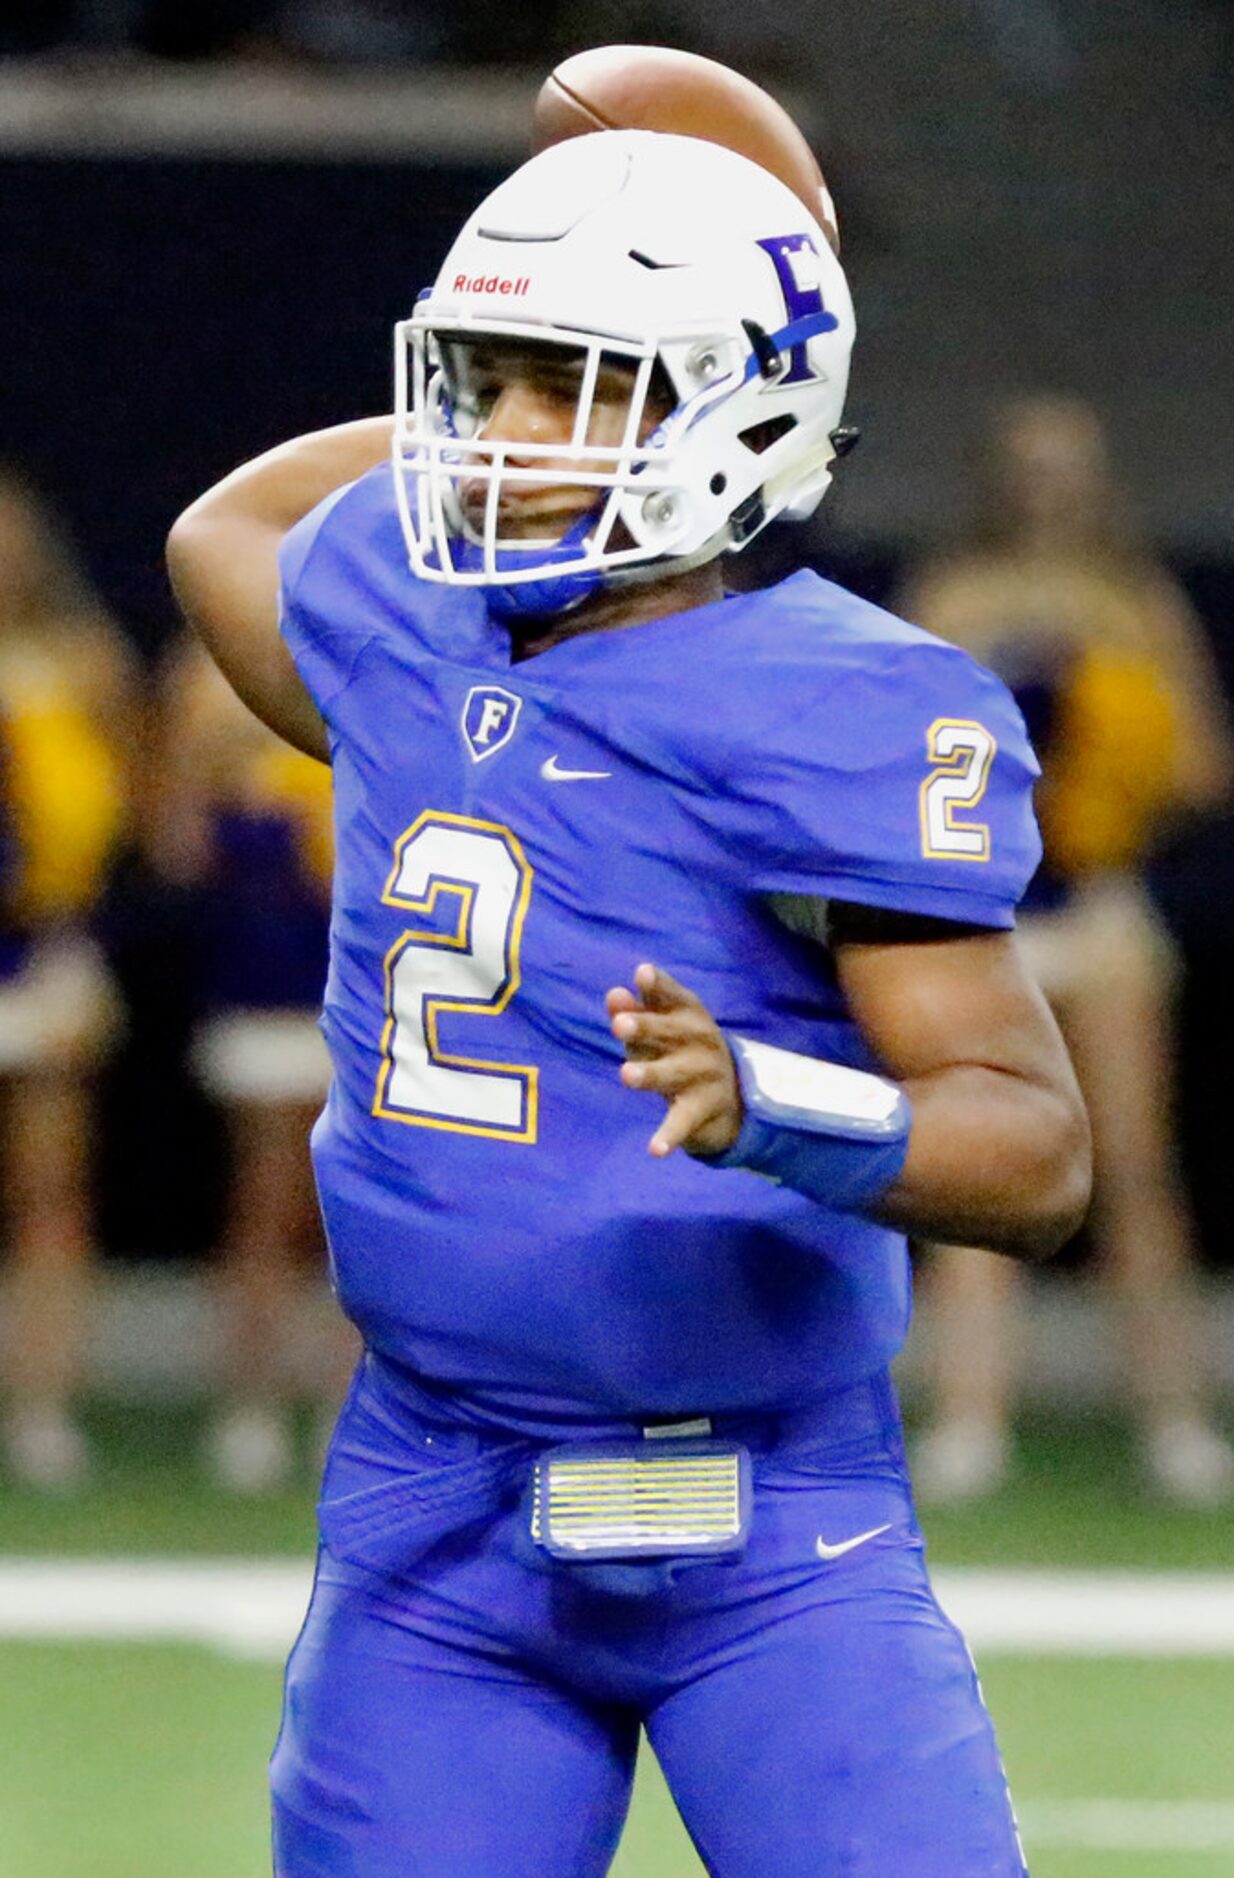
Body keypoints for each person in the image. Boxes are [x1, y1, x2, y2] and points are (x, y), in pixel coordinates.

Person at [167, 131, 1089, 1878]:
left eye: (570, 389)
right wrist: (531, 360)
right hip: (433, 1498)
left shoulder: (840, 703)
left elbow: (1030, 1155)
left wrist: (777, 1104)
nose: (499, 434)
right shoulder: (395, 615)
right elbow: (227, 524)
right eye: (477, 385)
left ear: (738, 419)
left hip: (768, 1524)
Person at [902, 395, 1234, 1507]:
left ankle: (1174, 1419)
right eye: (1031, 466)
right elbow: (893, 745)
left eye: (1071, 467)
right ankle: (969, 1418)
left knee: (1135, 1170)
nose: (1051, 487)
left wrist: (1105, 761)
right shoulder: (951, 595)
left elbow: (1198, 769)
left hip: (1094, 909)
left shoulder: (1134, 601)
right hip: (986, 912)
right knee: (976, 1164)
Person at [147, 641, 355, 1491]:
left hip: (374, 987)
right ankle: (251, 1406)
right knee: (269, 1204)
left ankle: (358, 1407)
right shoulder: (210, 677)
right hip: (267, 987)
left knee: (361, 1217)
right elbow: (176, 851)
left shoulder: (381, 661)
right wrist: (208, 763)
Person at [0, 465, 133, 1489]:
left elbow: (140, 811)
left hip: (40, 948)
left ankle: (43, 1405)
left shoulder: (83, 662)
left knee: (51, 1191)